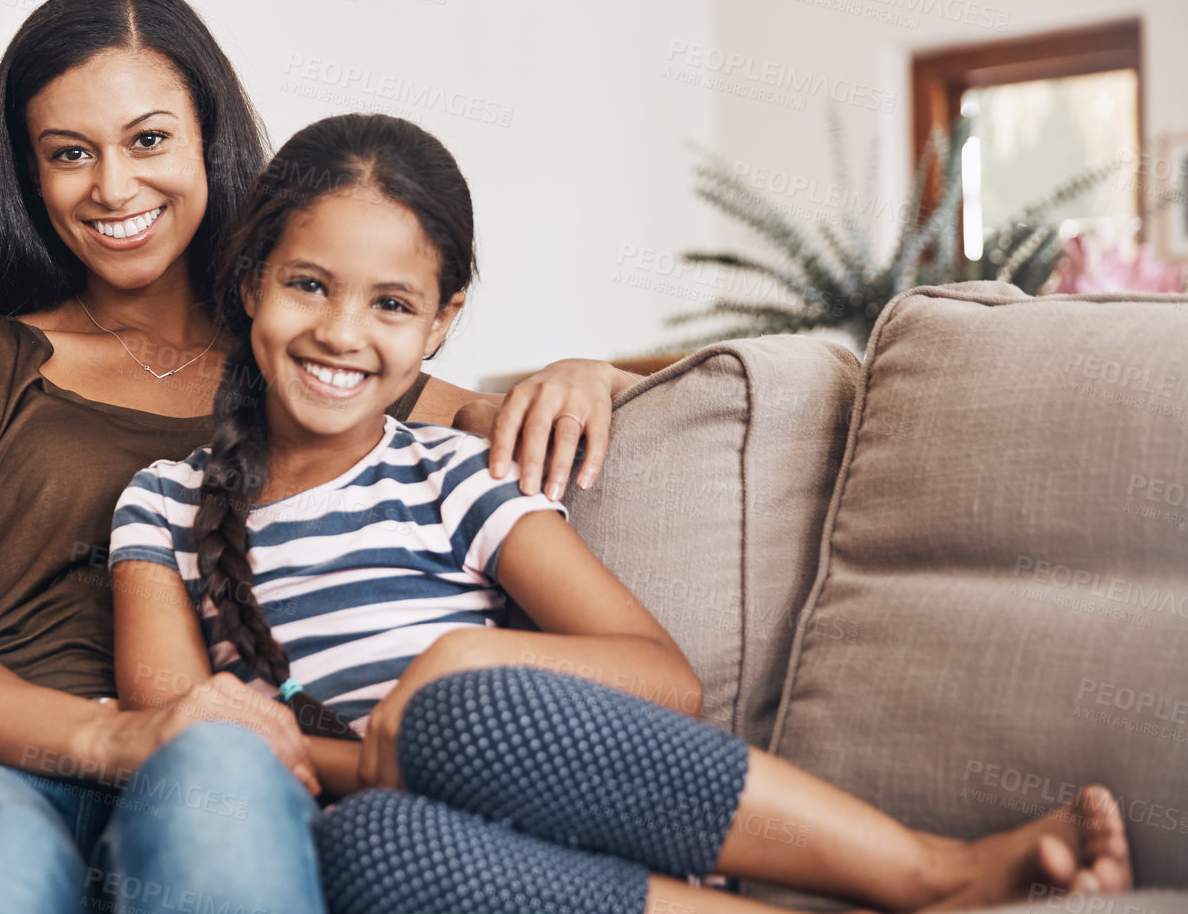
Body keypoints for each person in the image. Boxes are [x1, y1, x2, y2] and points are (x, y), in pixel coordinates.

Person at [106, 112, 1135, 914]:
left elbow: (660, 676)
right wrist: (374, 753)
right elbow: (183, 730)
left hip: (553, 792)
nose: (339, 330)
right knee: (369, 845)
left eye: (389, 302)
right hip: (445, 866)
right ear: (249, 284)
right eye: (307, 284)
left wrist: (449, 679)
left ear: (440, 323)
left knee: (457, 702)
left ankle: (925, 868)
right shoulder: (161, 506)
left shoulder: (450, 471)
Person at [0, 0, 639, 914]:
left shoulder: (308, 362)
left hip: (218, 777)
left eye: (149, 139)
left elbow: (516, 412)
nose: (114, 187)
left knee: (223, 793)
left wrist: (587, 372)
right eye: (69, 153)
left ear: (210, 140)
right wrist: (120, 735)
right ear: (30, 177)